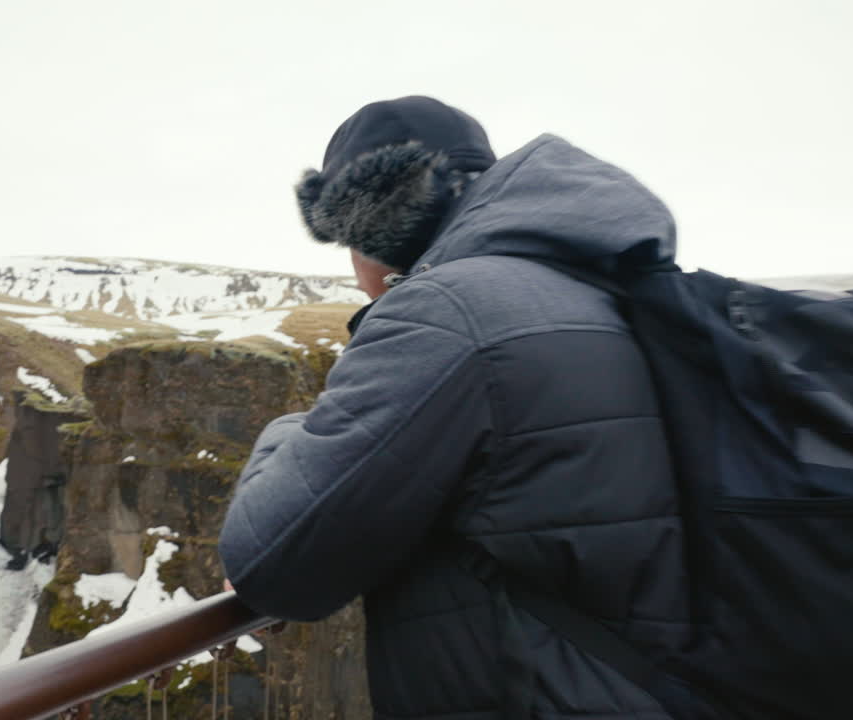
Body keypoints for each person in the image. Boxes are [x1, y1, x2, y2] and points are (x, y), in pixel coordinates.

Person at [218, 96, 689, 719]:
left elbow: (273, 563)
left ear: (374, 231)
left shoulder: (444, 313)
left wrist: (290, 430)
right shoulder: (605, 290)